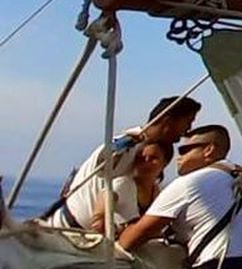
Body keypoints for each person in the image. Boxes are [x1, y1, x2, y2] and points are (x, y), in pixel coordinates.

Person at [118, 125, 242, 269]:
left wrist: (124, 231)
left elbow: (131, 240)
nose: (178, 157)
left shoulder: (191, 183)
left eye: (185, 150)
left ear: (209, 150)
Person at [45, 94, 199, 230]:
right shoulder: (125, 145)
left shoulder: (147, 152)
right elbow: (104, 167)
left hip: (88, 238)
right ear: (168, 121)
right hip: (64, 231)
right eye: (188, 122)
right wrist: (126, 143)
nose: (188, 130)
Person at [83, 140, 172, 235]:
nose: (146, 162)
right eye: (141, 158)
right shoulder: (123, 184)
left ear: (165, 163)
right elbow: (103, 205)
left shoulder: (158, 193)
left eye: (153, 158)